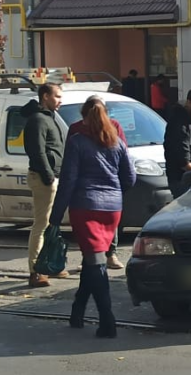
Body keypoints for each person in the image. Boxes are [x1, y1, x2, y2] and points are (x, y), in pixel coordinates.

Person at [50, 99, 135, 338]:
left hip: (85, 207)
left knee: (96, 263)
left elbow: (68, 181)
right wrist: (115, 193)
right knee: (92, 260)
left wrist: (55, 217)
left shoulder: (77, 142)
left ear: (84, 118)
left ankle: (107, 321)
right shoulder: (117, 142)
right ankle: (77, 311)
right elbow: (130, 177)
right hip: (111, 209)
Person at [69, 96, 128, 270]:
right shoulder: (76, 130)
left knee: (90, 230)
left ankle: (107, 255)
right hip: (104, 190)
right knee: (103, 225)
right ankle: (92, 261)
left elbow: (69, 170)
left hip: (88, 192)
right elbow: (126, 164)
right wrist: (119, 188)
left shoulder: (112, 127)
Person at [21, 83, 67, 287]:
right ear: (45, 96)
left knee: (50, 225)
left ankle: (49, 265)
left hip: (52, 176)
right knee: (41, 225)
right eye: (57, 96)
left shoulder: (49, 118)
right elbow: (36, 151)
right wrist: (48, 176)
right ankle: (36, 271)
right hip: (43, 178)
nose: (60, 100)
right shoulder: (39, 119)